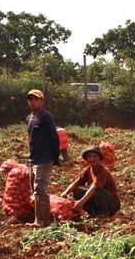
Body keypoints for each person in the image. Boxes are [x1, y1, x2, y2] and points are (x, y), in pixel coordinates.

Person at [25, 89, 60, 227]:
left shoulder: (46, 117)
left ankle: (39, 221)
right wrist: (29, 158)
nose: (33, 102)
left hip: (44, 159)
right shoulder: (29, 118)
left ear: (42, 101)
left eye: (36, 99)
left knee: (40, 189)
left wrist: (55, 158)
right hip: (33, 159)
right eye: (30, 99)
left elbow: (54, 138)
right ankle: (45, 219)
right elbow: (31, 139)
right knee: (37, 190)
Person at [60, 146, 120, 217]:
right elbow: (76, 183)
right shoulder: (88, 169)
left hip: (112, 205)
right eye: (89, 156)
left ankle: (104, 213)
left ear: (99, 158)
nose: (92, 159)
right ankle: (91, 212)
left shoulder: (103, 171)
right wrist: (65, 193)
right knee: (77, 190)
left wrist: (81, 202)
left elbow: (94, 188)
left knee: (96, 190)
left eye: (94, 156)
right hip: (98, 199)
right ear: (86, 158)